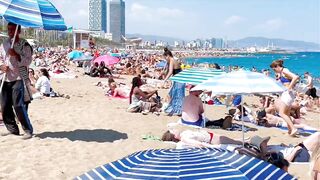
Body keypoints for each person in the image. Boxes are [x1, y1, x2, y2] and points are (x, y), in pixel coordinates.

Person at [0, 22, 33, 139]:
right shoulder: (4, 44)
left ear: (18, 31)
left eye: (13, 30)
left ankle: (28, 130)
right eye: (9, 29)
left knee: (18, 105)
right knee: (4, 105)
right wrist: (1, 66)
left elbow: (28, 61)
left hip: (19, 77)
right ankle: (12, 129)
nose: (10, 32)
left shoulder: (25, 45)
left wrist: (16, 55)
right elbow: (1, 58)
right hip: (5, 78)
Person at [270, 60, 299, 136]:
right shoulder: (282, 72)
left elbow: (295, 77)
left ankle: (293, 129)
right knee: (287, 113)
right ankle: (290, 130)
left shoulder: (285, 70)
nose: (274, 71)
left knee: (281, 113)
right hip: (289, 94)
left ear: (278, 66)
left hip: (288, 93)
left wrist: (289, 87)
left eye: (274, 69)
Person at [161, 129, 243, 147]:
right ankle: (248, 142)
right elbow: (199, 144)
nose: (175, 129)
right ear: (174, 136)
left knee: (235, 141)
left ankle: (247, 140)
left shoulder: (183, 134)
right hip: (213, 139)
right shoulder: (184, 139)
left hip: (211, 135)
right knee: (236, 142)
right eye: (173, 131)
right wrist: (213, 147)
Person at [163, 48, 185, 116]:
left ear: (168, 56)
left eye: (165, 58)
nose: (165, 59)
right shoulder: (172, 60)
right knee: (174, 94)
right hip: (179, 79)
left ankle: (178, 110)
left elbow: (170, 72)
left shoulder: (172, 60)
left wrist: (165, 79)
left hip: (179, 80)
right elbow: (167, 70)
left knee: (177, 95)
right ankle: (176, 110)